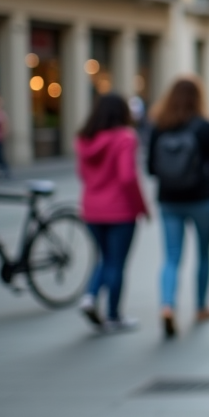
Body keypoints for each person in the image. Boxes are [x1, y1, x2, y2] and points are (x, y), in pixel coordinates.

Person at [148, 77, 209, 338]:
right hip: (203, 198)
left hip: (169, 199)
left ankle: (167, 306)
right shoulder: (205, 126)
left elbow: (150, 167)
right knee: (203, 253)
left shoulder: (160, 125)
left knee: (171, 257)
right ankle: (202, 306)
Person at [75, 93, 149, 333]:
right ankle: (114, 315)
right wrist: (141, 206)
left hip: (92, 209)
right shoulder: (125, 138)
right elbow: (128, 177)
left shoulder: (86, 139)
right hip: (120, 211)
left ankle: (90, 296)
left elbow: (82, 174)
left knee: (105, 258)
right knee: (116, 263)